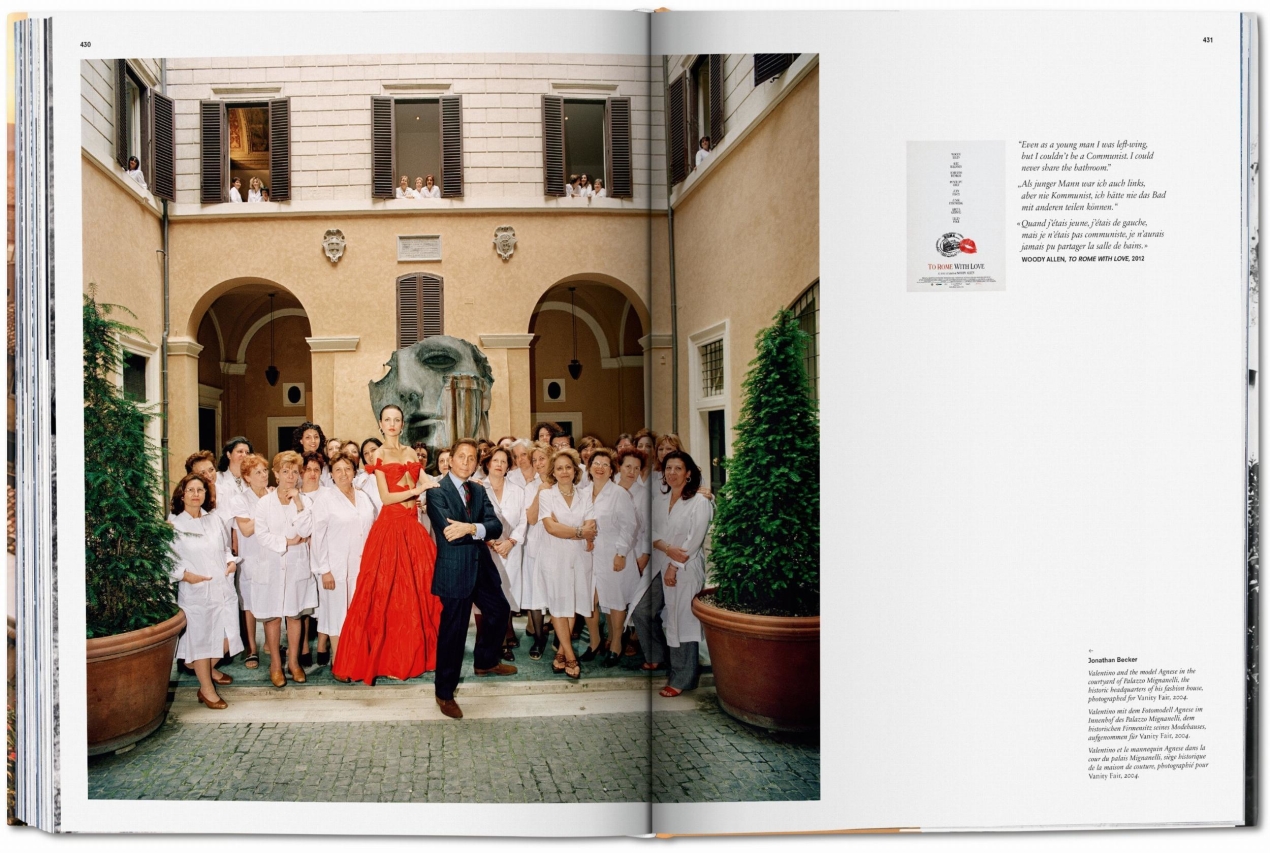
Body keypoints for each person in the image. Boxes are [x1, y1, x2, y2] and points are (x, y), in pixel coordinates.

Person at [332, 405, 442, 685]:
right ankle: (385, 659)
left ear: (402, 424)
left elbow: (428, 480)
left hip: (412, 528)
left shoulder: (411, 452)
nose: (392, 424)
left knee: (419, 591)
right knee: (386, 594)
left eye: (397, 420)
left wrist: (456, 483)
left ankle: (416, 655)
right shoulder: (378, 454)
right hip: (390, 528)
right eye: (387, 420)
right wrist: (417, 490)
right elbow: (386, 497)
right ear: (380, 424)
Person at [427, 439, 514, 719]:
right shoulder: (436, 491)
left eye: (472, 458)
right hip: (454, 570)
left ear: (477, 463)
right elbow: (448, 533)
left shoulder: (477, 489)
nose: (466, 462)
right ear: (450, 459)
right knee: (453, 634)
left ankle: (485, 662)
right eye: (461, 456)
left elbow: (495, 526)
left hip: (482, 568)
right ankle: (444, 693)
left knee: (499, 610)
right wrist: (476, 529)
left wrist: (471, 528)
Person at [295, 452, 374, 679]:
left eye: (347, 469)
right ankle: (339, 663)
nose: (343, 474)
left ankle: (357, 661)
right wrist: (324, 570)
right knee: (337, 616)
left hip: (362, 566)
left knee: (358, 615)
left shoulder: (363, 497)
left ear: (354, 472)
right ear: (331, 474)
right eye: (337, 469)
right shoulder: (326, 499)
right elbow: (318, 537)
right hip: (335, 569)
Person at [169, 473, 242, 710]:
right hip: (196, 592)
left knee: (228, 638)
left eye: (200, 490)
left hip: (222, 588)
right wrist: (186, 576)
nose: (196, 494)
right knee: (201, 640)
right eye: (190, 490)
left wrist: (231, 562)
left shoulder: (214, 519)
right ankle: (206, 689)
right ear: (181, 495)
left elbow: (225, 549)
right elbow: (167, 560)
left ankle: (207, 669)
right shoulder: (174, 525)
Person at [250, 451, 318, 687]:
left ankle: (294, 663)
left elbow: (306, 530)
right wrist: (287, 542)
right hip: (270, 565)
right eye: (285, 471)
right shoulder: (264, 503)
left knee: (294, 614)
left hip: (297, 566)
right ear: (276, 474)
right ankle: (276, 665)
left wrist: (298, 503)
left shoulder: (306, 502)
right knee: (273, 617)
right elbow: (261, 535)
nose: (290, 476)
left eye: (294, 472)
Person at [529, 447, 597, 680]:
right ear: (553, 472)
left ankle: (560, 653)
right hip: (553, 557)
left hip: (579, 557)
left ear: (575, 470)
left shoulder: (585, 494)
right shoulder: (547, 495)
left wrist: (568, 530)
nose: (564, 471)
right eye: (559, 468)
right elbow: (550, 527)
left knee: (571, 604)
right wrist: (579, 532)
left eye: (568, 467)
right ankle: (570, 655)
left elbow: (591, 526)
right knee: (559, 606)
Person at [649, 451, 712, 697]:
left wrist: (674, 566)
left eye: (678, 468)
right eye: (668, 468)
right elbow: (649, 531)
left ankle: (683, 679)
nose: (672, 473)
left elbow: (694, 540)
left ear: (688, 473)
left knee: (684, 620)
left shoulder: (699, 501)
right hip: (663, 563)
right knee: (670, 620)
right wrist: (665, 549)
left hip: (686, 568)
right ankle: (676, 671)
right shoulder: (661, 500)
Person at [587, 448, 638, 667]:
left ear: (611, 471)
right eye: (596, 463)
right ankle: (595, 642)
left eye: (605, 465)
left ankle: (616, 644)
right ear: (589, 468)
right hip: (589, 555)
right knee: (589, 600)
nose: (600, 468)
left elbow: (629, 526)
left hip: (613, 554)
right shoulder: (583, 492)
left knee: (616, 601)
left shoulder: (619, 494)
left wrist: (621, 553)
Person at [482, 446, 526, 660]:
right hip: (487, 550)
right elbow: (474, 519)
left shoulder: (518, 490)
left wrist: (510, 542)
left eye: (503, 461)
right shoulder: (478, 488)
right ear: (488, 463)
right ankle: (496, 643)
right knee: (490, 597)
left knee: (507, 594)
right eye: (495, 460)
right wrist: (491, 542)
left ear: (509, 466)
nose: (499, 465)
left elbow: (524, 520)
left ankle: (505, 636)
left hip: (511, 549)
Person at [230, 453, 272, 669]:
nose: (264, 475)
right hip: (251, 557)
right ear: (247, 477)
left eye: (265, 471)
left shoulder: (272, 494)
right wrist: (265, 513)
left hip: (271, 556)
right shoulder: (240, 500)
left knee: (270, 600)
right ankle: (252, 649)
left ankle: (269, 644)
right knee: (249, 605)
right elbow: (246, 529)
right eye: (258, 472)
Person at [615, 447, 652, 665]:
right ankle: (615, 636)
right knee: (615, 595)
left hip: (636, 551)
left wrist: (645, 555)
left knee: (634, 596)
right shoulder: (610, 488)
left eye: (636, 468)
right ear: (619, 467)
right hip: (613, 550)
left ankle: (634, 636)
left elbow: (648, 528)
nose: (632, 472)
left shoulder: (644, 494)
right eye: (628, 466)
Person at [520, 441, 553, 659]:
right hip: (535, 542)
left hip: (557, 542)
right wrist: (540, 492)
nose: (539, 463)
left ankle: (560, 639)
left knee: (558, 591)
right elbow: (531, 518)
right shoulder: (531, 487)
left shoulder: (563, 482)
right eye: (535, 460)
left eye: (542, 458)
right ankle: (539, 639)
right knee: (535, 591)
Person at [216, 436, 254, 504]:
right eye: (240, 451)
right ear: (228, 454)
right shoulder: (217, 478)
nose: (244, 455)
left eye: (247, 452)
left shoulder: (253, 479)